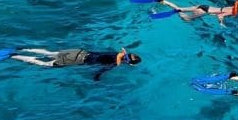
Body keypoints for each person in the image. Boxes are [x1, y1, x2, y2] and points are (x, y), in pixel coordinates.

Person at [10, 47, 141, 80]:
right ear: (130, 64)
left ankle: (22, 49)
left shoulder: (114, 53)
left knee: (49, 53)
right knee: (46, 64)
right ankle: (15, 56)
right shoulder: (114, 64)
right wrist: (97, 79)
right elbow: (98, 72)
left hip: (78, 51)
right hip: (77, 60)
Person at [160, 0, 238, 26]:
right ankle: (174, 11)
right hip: (205, 10)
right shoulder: (233, 12)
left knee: (181, 9)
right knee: (186, 19)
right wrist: (221, 23)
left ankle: (165, 2)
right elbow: (221, 15)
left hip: (204, 6)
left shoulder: (235, 6)